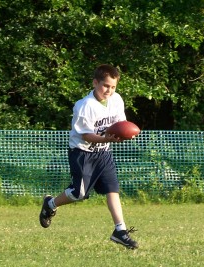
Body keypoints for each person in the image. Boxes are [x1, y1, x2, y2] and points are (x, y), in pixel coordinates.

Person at [39, 64, 138, 249]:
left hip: (103, 152)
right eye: (105, 85)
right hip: (83, 152)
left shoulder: (116, 100)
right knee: (79, 194)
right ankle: (50, 203)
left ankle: (120, 230)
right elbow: (86, 135)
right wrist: (106, 138)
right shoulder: (84, 106)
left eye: (113, 86)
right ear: (95, 83)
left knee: (112, 190)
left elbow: (120, 123)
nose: (109, 90)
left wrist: (123, 133)